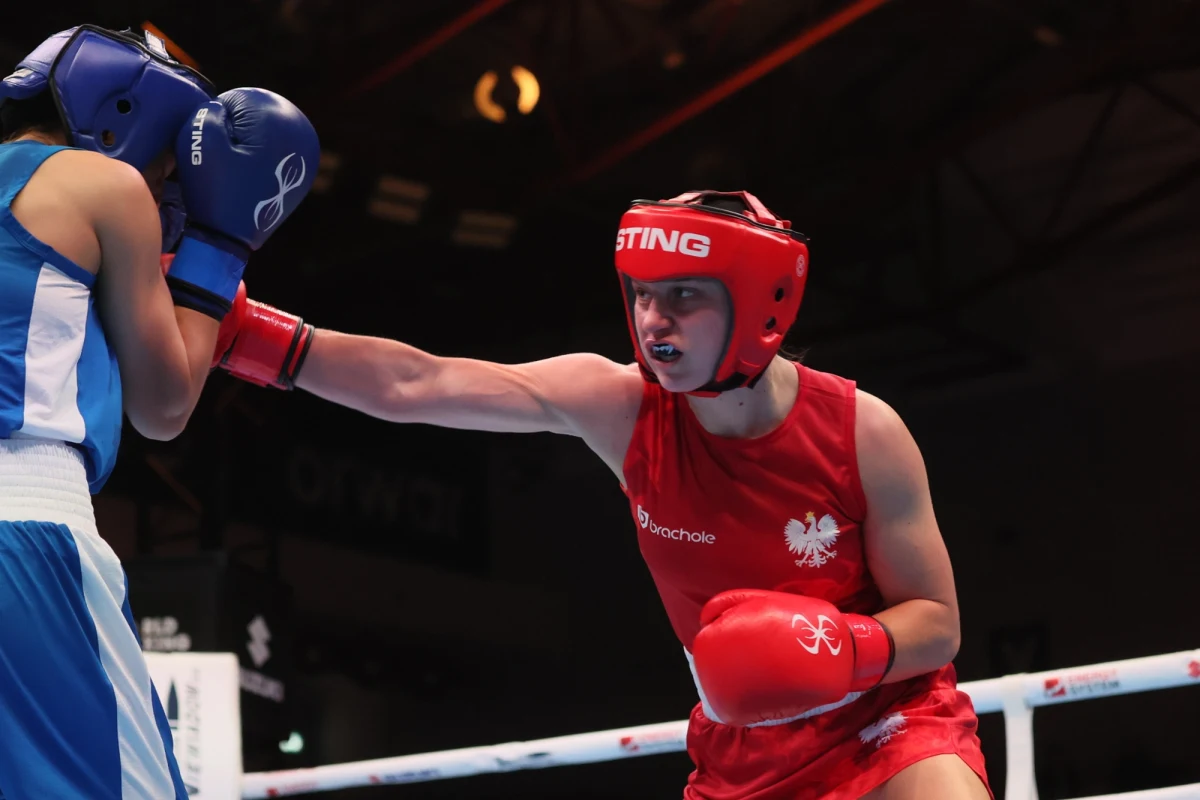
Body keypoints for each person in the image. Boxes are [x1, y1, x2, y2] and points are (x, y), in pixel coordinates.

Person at [215, 190, 992, 798]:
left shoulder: (863, 433)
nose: (655, 321)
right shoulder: (621, 407)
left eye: (685, 295)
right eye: (643, 294)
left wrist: (840, 652)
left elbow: (938, 623)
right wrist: (247, 335)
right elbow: (418, 381)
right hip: (744, 752)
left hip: (890, 723)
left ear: (760, 304)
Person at [0, 24, 317, 799]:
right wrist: (220, 242)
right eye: (173, 155)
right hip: (24, 533)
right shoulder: (104, 186)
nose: (172, 177)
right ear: (127, 111)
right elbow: (164, 406)